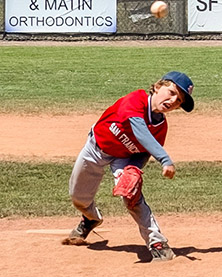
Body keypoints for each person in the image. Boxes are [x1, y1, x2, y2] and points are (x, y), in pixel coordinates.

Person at [63, 71, 196, 262]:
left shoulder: (160, 129)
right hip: (96, 147)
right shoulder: (136, 99)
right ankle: (90, 217)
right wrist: (165, 160)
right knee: (78, 198)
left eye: (179, 101)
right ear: (158, 87)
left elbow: (143, 152)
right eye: (172, 92)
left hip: (123, 158)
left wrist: (132, 170)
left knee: (132, 196)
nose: (173, 101)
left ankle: (157, 243)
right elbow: (138, 129)